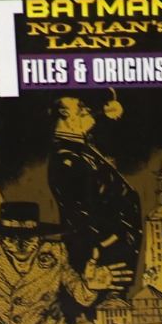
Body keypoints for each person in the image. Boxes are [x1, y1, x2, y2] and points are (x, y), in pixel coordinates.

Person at [0, 201, 125, 324]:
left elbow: (81, 295)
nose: (19, 245)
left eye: (28, 238)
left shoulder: (56, 251)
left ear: (39, 236)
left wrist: (90, 286)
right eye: (10, 238)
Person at [48, 94, 140, 307]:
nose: (88, 110)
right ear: (64, 113)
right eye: (80, 107)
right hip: (101, 261)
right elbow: (81, 217)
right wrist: (98, 251)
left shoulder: (81, 150)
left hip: (111, 255)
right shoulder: (68, 159)